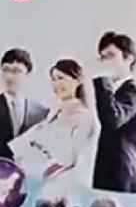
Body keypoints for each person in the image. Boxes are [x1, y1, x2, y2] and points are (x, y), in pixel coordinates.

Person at [12, 59, 100, 190]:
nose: (56, 84)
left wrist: (41, 152)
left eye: (61, 78)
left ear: (77, 81)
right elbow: (23, 145)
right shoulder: (53, 115)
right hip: (45, 183)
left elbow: (67, 158)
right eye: (53, 79)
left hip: (70, 186)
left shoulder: (85, 118)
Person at [92, 31, 136, 193]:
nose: (105, 62)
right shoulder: (108, 93)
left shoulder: (132, 92)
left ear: (129, 59)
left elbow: (113, 120)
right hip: (108, 176)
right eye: (102, 58)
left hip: (125, 179)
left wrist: (103, 81)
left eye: (111, 56)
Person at [0, 48, 49, 160]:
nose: (9, 76)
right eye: (6, 70)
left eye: (16, 71)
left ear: (28, 75)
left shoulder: (41, 112)